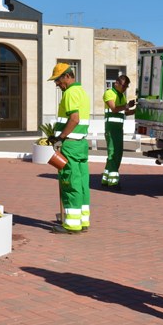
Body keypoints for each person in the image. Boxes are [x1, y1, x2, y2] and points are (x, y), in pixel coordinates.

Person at [47, 62, 91, 234]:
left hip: (70, 145)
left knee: (69, 183)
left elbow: (74, 119)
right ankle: (82, 221)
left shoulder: (70, 93)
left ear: (67, 76)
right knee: (81, 184)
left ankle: (72, 225)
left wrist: (60, 138)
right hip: (80, 144)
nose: (57, 84)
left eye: (58, 80)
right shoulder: (81, 92)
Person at [101, 75, 135, 188]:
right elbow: (114, 108)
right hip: (111, 128)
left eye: (126, 87)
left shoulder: (122, 96)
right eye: (124, 86)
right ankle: (113, 181)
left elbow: (125, 112)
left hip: (119, 129)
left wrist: (136, 110)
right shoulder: (109, 93)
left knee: (118, 153)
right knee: (113, 153)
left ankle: (106, 179)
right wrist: (126, 106)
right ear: (116, 83)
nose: (125, 88)